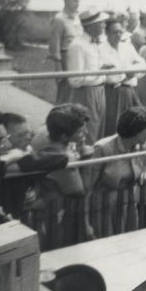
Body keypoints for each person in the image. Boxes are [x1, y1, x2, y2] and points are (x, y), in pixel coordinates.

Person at [83, 107, 146, 236]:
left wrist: (142, 177)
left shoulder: (141, 146)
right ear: (136, 131)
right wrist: (86, 224)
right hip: (102, 209)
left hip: (127, 207)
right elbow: (87, 190)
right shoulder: (103, 149)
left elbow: (141, 168)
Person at [31, 104, 94, 246]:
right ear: (64, 136)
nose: (86, 133)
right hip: (60, 218)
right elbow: (81, 190)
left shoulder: (49, 147)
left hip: (51, 213)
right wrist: (87, 160)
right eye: (80, 132)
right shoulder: (63, 158)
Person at [66, 8, 110, 144]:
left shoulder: (96, 43)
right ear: (91, 26)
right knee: (87, 133)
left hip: (100, 91)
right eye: (101, 23)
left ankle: (95, 163)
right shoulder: (77, 46)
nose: (104, 25)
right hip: (86, 94)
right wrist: (100, 72)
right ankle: (85, 163)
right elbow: (74, 80)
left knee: (99, 133)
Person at [100, 19, 146, 136]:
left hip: (129, 91)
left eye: (120, 32)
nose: (118, 35)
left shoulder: (127, 47)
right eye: (114, 32)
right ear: (107, 33)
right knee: (112, 126)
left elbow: (142, 64)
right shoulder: (101, 49)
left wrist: (131, 72)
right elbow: (105, 74)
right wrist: (126, 74)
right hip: (111, 92)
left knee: (133, 125)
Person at [49, 0, 83, 104]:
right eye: (74, 1)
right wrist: (58, 67)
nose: (77, 4)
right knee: (65, 92)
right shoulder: (59, 19)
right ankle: (58, 117)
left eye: (78, 1)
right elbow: (55, 45)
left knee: (77, 89)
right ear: (66, 0)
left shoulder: (78, 18)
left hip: (78, 57)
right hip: (65, 58)